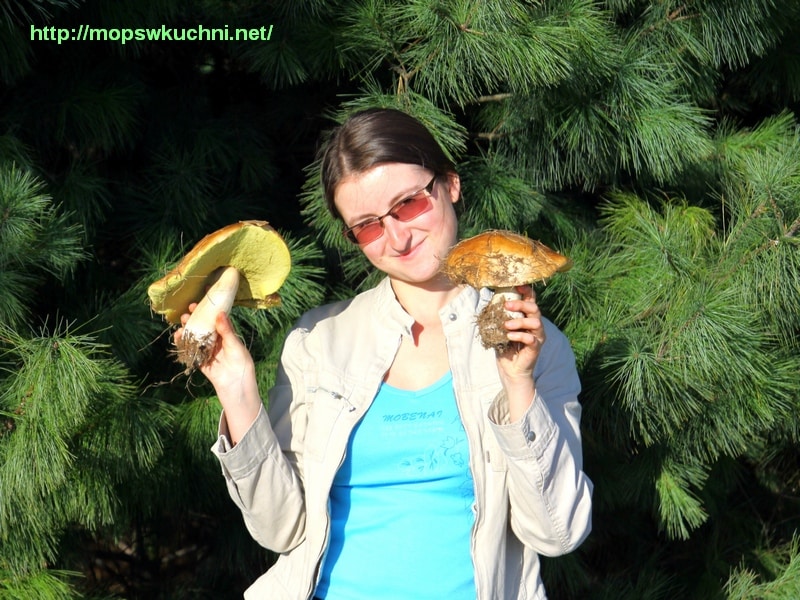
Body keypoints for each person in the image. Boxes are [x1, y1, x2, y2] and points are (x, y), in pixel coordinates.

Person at [178, 108, 593, 599]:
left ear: (451, 184)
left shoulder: (534, 345)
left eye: (409, 204)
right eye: (368, 226)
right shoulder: (318, 341)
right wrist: (237, 391)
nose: (397, 238)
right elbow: (280, 530)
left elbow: (557, 533)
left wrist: (518, 385)